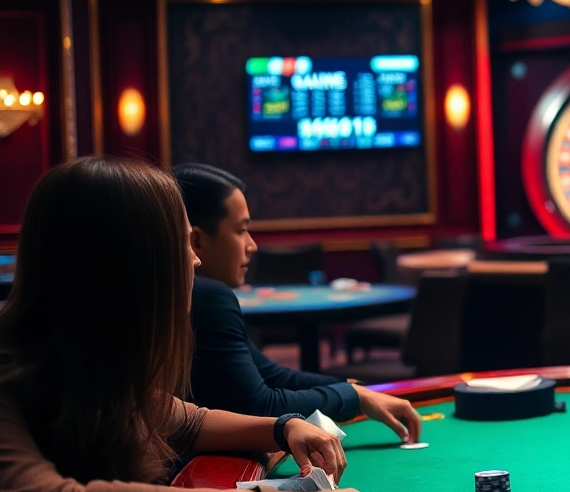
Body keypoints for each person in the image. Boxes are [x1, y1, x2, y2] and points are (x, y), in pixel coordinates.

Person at [0, 157, 409, 492]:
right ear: (128, 262)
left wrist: (284, 427)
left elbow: (186, 419)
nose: (195, 260)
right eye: (181, 243)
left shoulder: (86, 360)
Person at [171, 163, 421, 443]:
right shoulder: (208, 296)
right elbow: (261, 405)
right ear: (196, 240)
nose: (252, 245)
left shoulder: (202, 296)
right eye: (241, 231)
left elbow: (272, 375)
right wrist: (351, 395)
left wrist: (354, 391)